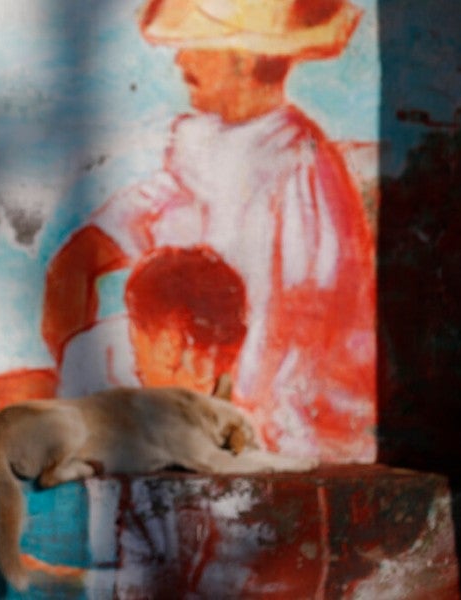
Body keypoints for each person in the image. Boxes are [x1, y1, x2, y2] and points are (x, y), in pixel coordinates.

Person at [42, 0, 377, 462]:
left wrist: (226, 424)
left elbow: (298, 325)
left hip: (263, 429)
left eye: (197, 48)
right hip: (188, 414)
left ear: (242, 60)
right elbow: (104, 241)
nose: (181, 61)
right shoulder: (198, 146)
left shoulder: (299, 163)